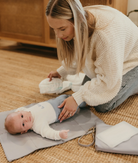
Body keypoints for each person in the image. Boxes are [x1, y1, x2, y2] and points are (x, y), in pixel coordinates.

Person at [45, 0, 138, 122]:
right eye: (54, 29)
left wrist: (77, 98)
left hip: (133, 61)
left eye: (62, 29)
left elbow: (108, 81)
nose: (58, 35)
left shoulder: (104, 36)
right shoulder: (81, 21)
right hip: (114, 59)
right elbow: (81, 52)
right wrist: (63, 71)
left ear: (77, 19)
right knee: (87, 92)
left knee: (103, 104)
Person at [5, 94, 81, 140]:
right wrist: (59, 135)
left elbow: (19, 111)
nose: (25, 119)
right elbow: (48, 133)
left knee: (73, 94)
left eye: (21, 116)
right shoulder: (37, 125)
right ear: (25, 131)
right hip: (63, 109)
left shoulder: (25, 110)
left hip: (56, 100)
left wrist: (14, 116)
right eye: (23, 124)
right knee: (80, 101)